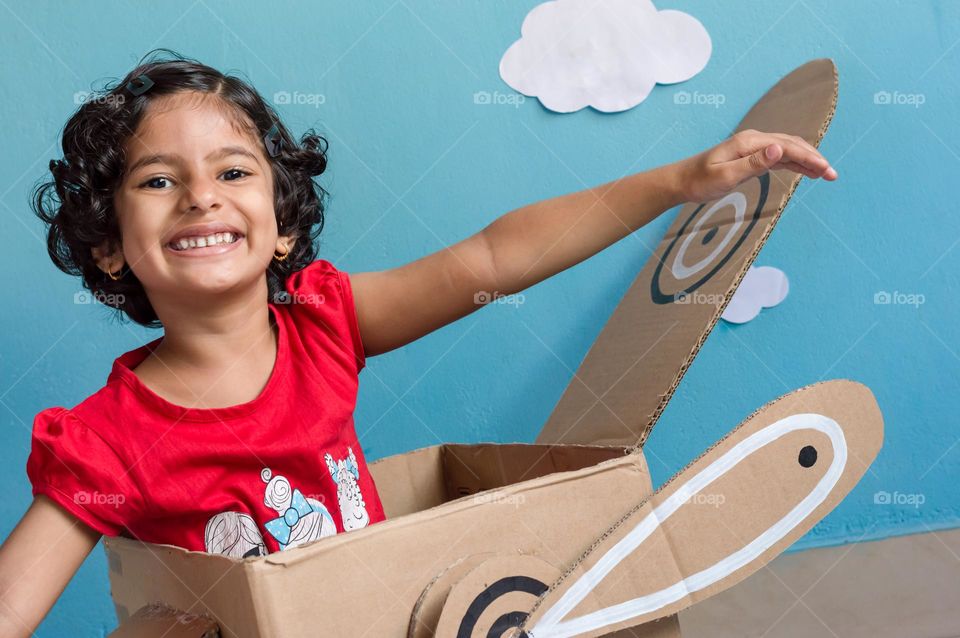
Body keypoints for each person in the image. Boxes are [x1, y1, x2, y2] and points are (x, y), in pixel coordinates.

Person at [0, 48, 836, 635]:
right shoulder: (108, 442)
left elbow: (493, 257)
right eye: (157, 180)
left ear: (283, 227)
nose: (199, 196)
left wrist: (682, 181)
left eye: (232, 171)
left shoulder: (325, 325)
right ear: (108, 243)